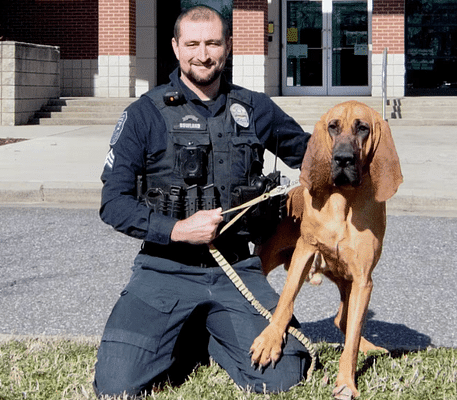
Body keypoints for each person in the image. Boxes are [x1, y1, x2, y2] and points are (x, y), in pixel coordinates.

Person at [94, 5, 312, 398]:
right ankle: (192, 332)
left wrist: (357, 143)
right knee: (117, 385)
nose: (203, 54)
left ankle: (208, 330)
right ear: (176, 48)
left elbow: (313, 158)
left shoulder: (255, 108)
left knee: (284, 376)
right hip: (163, 268)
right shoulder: (143, 114)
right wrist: (176, 229)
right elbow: (113, 202)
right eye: (192, 43)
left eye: (213, 43)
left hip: (236, 269)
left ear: (227, 46)